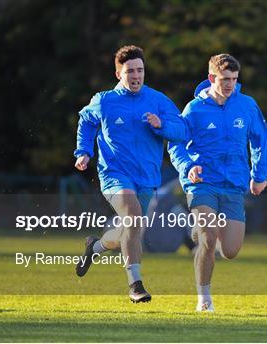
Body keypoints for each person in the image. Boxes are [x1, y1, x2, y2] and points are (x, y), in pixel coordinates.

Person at [73, 45, 186, 302]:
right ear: (118, 74)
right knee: (133, 218)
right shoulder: (104, 101)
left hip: (147, 178)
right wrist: (83, 151)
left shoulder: (158, 100)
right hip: (114, 174)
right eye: (130, 71)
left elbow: (182, 131)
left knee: (131, 229)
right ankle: (135, 285)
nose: (136, 76)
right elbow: (86, 121)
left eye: (140, 70)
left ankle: (96, 246)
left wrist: (162, 125)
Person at [168, 54, 267, 311]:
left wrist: (259, 176)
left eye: (234, 79)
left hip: (234, 185)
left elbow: (260, 140)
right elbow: (176, 144)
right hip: (202, 183)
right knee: (208, 238)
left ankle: (196, 228)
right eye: (225, 79)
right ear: (212, 78)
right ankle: (204, 298)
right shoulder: (194, 109)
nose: (230, 84)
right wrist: (188, 166)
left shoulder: (246, 105)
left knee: (230, 251)